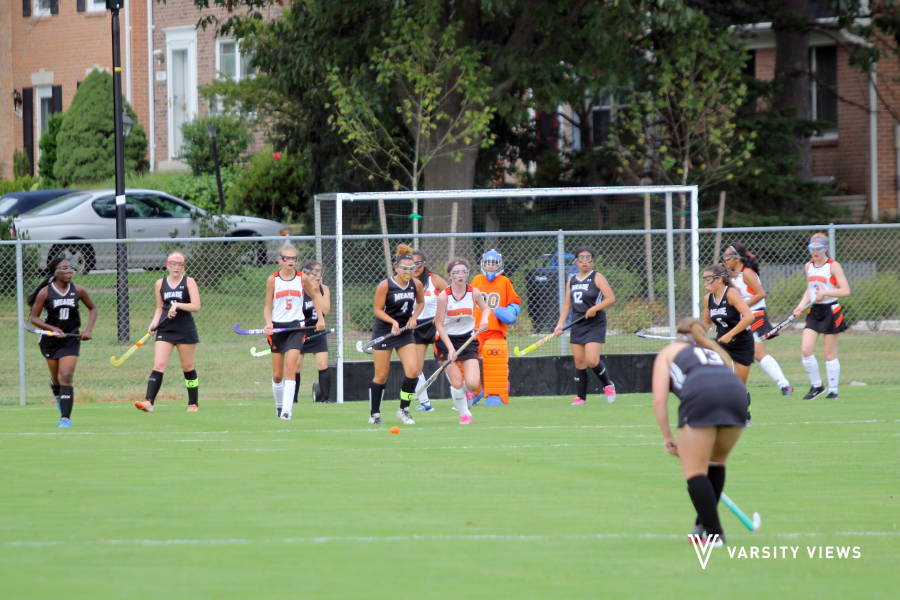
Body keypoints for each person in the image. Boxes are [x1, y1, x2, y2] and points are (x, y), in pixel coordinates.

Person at [652, 317, 751, 546]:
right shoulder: (714, 352)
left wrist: (668, 438)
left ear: (678, 335)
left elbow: (659, 400)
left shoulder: (668, 352)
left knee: (695, 472)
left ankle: (715, 534)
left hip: (702, 397)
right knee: (716, 462)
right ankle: (702, 526)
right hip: (737, 396)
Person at [27, 257, 98, 428]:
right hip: (49, 341)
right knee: (57, 379)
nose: (69, 271)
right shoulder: (45, 292)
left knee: (65, 376)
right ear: (55, 273)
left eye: (70, 268)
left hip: (70, 340)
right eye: (64, 268)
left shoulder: (78, 290)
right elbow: (33, 318)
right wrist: (52, 329)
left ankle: (65, 418)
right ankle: (58, 394)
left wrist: (88, 330)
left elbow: (93, 308)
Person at [263, 244, 326, 420]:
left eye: (293, 258)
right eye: (287, 258)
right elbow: (267, 306)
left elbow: (315, 297)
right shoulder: (273, 280)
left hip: (296, 327)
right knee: (277, 375)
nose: (290, 261)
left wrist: (320, 319)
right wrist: (268, 323)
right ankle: (279, 406)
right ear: (280, 260)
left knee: (291, 369)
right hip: (278, 328)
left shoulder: (302, 278)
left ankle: (287, 411)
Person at [135, 252, 202, 414]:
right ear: (168, 266)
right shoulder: (160, 283)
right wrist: (154, 323)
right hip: (165, 329)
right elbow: (160, 307)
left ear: (183, 267)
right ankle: (149, 402)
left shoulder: (189, 282)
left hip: (185, 329)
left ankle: (193, 403)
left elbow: (196, 306)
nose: (176, 268)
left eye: (180, 265)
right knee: (159, 365)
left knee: (188, 367)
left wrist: (178, 305)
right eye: (173, 264)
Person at [723, 243, 793, 395]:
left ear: (737, 258)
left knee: (758, 353)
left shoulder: (747, 273)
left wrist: (742, 306)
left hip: (755, 316)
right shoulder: (735, 275)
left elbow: (761, 293)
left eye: (728, 256)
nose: (725, 259)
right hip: (743, 318)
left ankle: (785, 385)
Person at [367, 247, 424, 425]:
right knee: (381, 376)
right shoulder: (385, 285)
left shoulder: (416, 284)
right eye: (404, 268)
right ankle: (374, 414)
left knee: (413, 371)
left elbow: (421, 303)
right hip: (385, 332)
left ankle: (404, 410)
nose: (408, 272)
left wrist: (414, 318)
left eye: (411, 268)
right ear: (396, 268)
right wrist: (392, 322)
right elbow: (377, 309)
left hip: (404, 332)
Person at [553, 247, 617, 405]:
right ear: (576, 261)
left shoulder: (597, 277)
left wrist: (595, 308)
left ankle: (608, 385)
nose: (585, 262)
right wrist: (560, 324)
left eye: (589, 258)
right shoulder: (572, 280)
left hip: (595, 323)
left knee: (592, 360)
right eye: (581, 258)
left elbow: (610, 298)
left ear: (592, 261)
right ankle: (581, 397)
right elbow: (567, 304)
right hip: (578, 323)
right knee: (580, 362)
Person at [791, 233, 851, 400]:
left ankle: (833, 390)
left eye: (819, 249)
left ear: (825, 249)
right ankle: (817, 386)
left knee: (828, 353)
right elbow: (810, 289)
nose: (815, 252)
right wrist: (800, 306)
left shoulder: (833, 266)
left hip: (831, 311)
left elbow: (845, 290)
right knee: (806, 350)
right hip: (814, 312)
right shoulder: (808, 266)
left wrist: (825, 293)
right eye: (812, 249)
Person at [434, 258, 491, 424]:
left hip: (468, 338)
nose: (460, 275)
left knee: (473, 384)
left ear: (467, 274)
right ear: (450, 276)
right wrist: (450, 348)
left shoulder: (474, 293)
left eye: (464, 272)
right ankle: (464, 413)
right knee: (457, 382)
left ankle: (463, 393)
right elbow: (439, 324)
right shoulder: (444, 297)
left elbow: (486, 308)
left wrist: (484, 319)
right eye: (456, 272)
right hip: (445, 340)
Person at [470, 249, 522, 405]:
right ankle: (475, 391)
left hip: (496, 330)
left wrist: (511, 311)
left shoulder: (504, 281)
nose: (491, 266)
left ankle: (496, 393)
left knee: (495, 363)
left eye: (493, 263)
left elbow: (515, 302)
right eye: (488, 263)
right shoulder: (477, 280)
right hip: (477, 330)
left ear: (499, 265)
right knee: (473, 362)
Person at [702, 264, 755, 383]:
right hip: (722, 343)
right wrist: (697, 337)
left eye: (708, 279)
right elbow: (706, 322)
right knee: (719, 381)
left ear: (719, 279)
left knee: (739, 387)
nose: (705, 284)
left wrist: (730, 335)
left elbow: (749, 317)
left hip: (742, 343)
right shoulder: (707, 299)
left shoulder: (731, 294)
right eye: (704, 280)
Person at [409, 247, 448, 411]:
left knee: (447, 362)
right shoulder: (405, 282)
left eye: (419, 263)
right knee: (415, 367)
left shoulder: (434, 279)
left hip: (436, 324)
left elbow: (451, 296)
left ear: (424, 264)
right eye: (412, 264)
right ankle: (425, 404)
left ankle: (463, 397)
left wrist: (440, 315)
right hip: (417, 327)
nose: (416, 267)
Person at [289, 260, 332, 404]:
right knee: (296, 366)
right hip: (300, 331)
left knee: (322, 364)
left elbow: (326, 310)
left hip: (317, 331)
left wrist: (316, 291)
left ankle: (326, 400)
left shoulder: (324, 289)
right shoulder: (297, 289)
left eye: (320, 272)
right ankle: (293, 400)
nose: (318, 275)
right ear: (305, 274)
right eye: (314, 272)